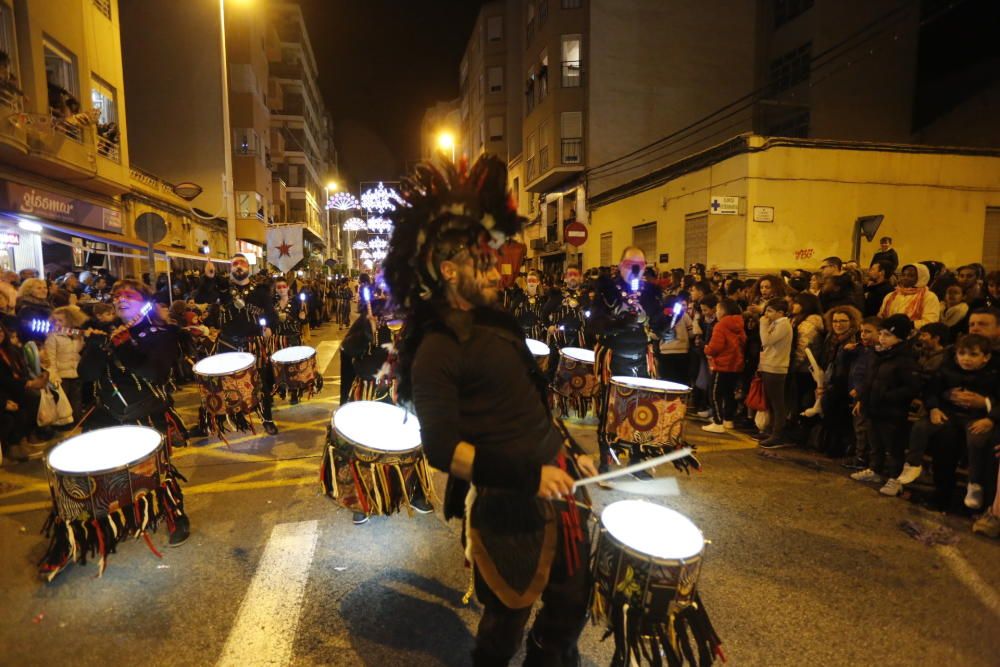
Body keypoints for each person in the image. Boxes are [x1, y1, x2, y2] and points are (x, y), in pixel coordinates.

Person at [384, 157, 596, 665]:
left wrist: (571, 453)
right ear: (449, 270)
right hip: (509, 505)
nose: (498, 269)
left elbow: (532, 407)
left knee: (570, 606)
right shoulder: (436, 349)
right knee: (505, 624)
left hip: (559, 484)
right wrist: (528, 476)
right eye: (483, 262)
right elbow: (441, 449)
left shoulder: (502, 326)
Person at [75, 279, 189, 546]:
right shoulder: (105, 333)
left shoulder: (161, 332)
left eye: (127, 295)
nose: (119, 299)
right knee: (102, 477)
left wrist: (125, 345)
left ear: (143, 301)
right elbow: (86, 375)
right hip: (106, 416)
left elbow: (154, 373)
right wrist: (96, 349)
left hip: (146, 413)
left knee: (156, 473)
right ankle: (103, 528)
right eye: (115, 296)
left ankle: (176, 515)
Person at [884, 333, 997, 503]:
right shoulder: (947, 369)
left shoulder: (993, 375)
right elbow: (932, 390)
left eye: (973, 355)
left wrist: (990, 418)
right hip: (948, 415)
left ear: (986, 357)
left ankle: (974, 483)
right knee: (921, 427)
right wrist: (934, 408)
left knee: (976, 440)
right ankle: (913, 464)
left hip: (976, 418)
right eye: (962, 354)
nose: (966, 359)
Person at [194, 255, 279, 435]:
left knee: (260, 383)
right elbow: (201, 297)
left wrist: (270, 327)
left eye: (242, 263)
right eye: (234, 264)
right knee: (222, 384)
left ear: (248, 267)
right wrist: (208, 278)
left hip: (253, 343)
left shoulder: (260, 292)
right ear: (230, 268)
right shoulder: (223, 290)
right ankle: (215, 422)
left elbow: (272, 316)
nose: (238, 267)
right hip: (227, 343)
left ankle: (267, 419)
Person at [851, 315, 921, 486]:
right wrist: (862, 398)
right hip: (873, 407)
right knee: (875, 442)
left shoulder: (905, 359)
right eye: (881, 334)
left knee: (893, 446)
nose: (882, 338)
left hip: (892, 411)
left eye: (888, 335)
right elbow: (870, 378)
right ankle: (875, 470)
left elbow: (911, 387)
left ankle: (894, 477)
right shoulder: (878, 354)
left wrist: (888, 396)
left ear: (900, 338)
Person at [702, 298, 745, 433]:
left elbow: (716, 347)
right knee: (729, 394)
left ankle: (717, 422)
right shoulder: (739, 324)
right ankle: (728, 420)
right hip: (735, 365)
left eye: (719, 309)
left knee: (715, 394)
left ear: (725, 311)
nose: (717, 312)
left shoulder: (721, 325)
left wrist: (706, 348)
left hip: (722, 365)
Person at [757, 298, 793, 448]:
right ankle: (771, 430)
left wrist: (762, 324)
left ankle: (778, 434)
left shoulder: (783, 324)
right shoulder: (776, 324)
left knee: (778, 403)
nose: (767, 314)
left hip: (776, 367)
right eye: (766, 310)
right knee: (771, 402)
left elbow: (766, 341)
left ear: (781, 312)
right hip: (769, 365)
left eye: (770, 311)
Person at [879, 263, 940, 328]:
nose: (905, 278)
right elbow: (881, 316)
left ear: (921, 278)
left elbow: (930, 321)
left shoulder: (929, 297)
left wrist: (905, 326)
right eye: (903, 275)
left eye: (911, 276)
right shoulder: (891, 295)